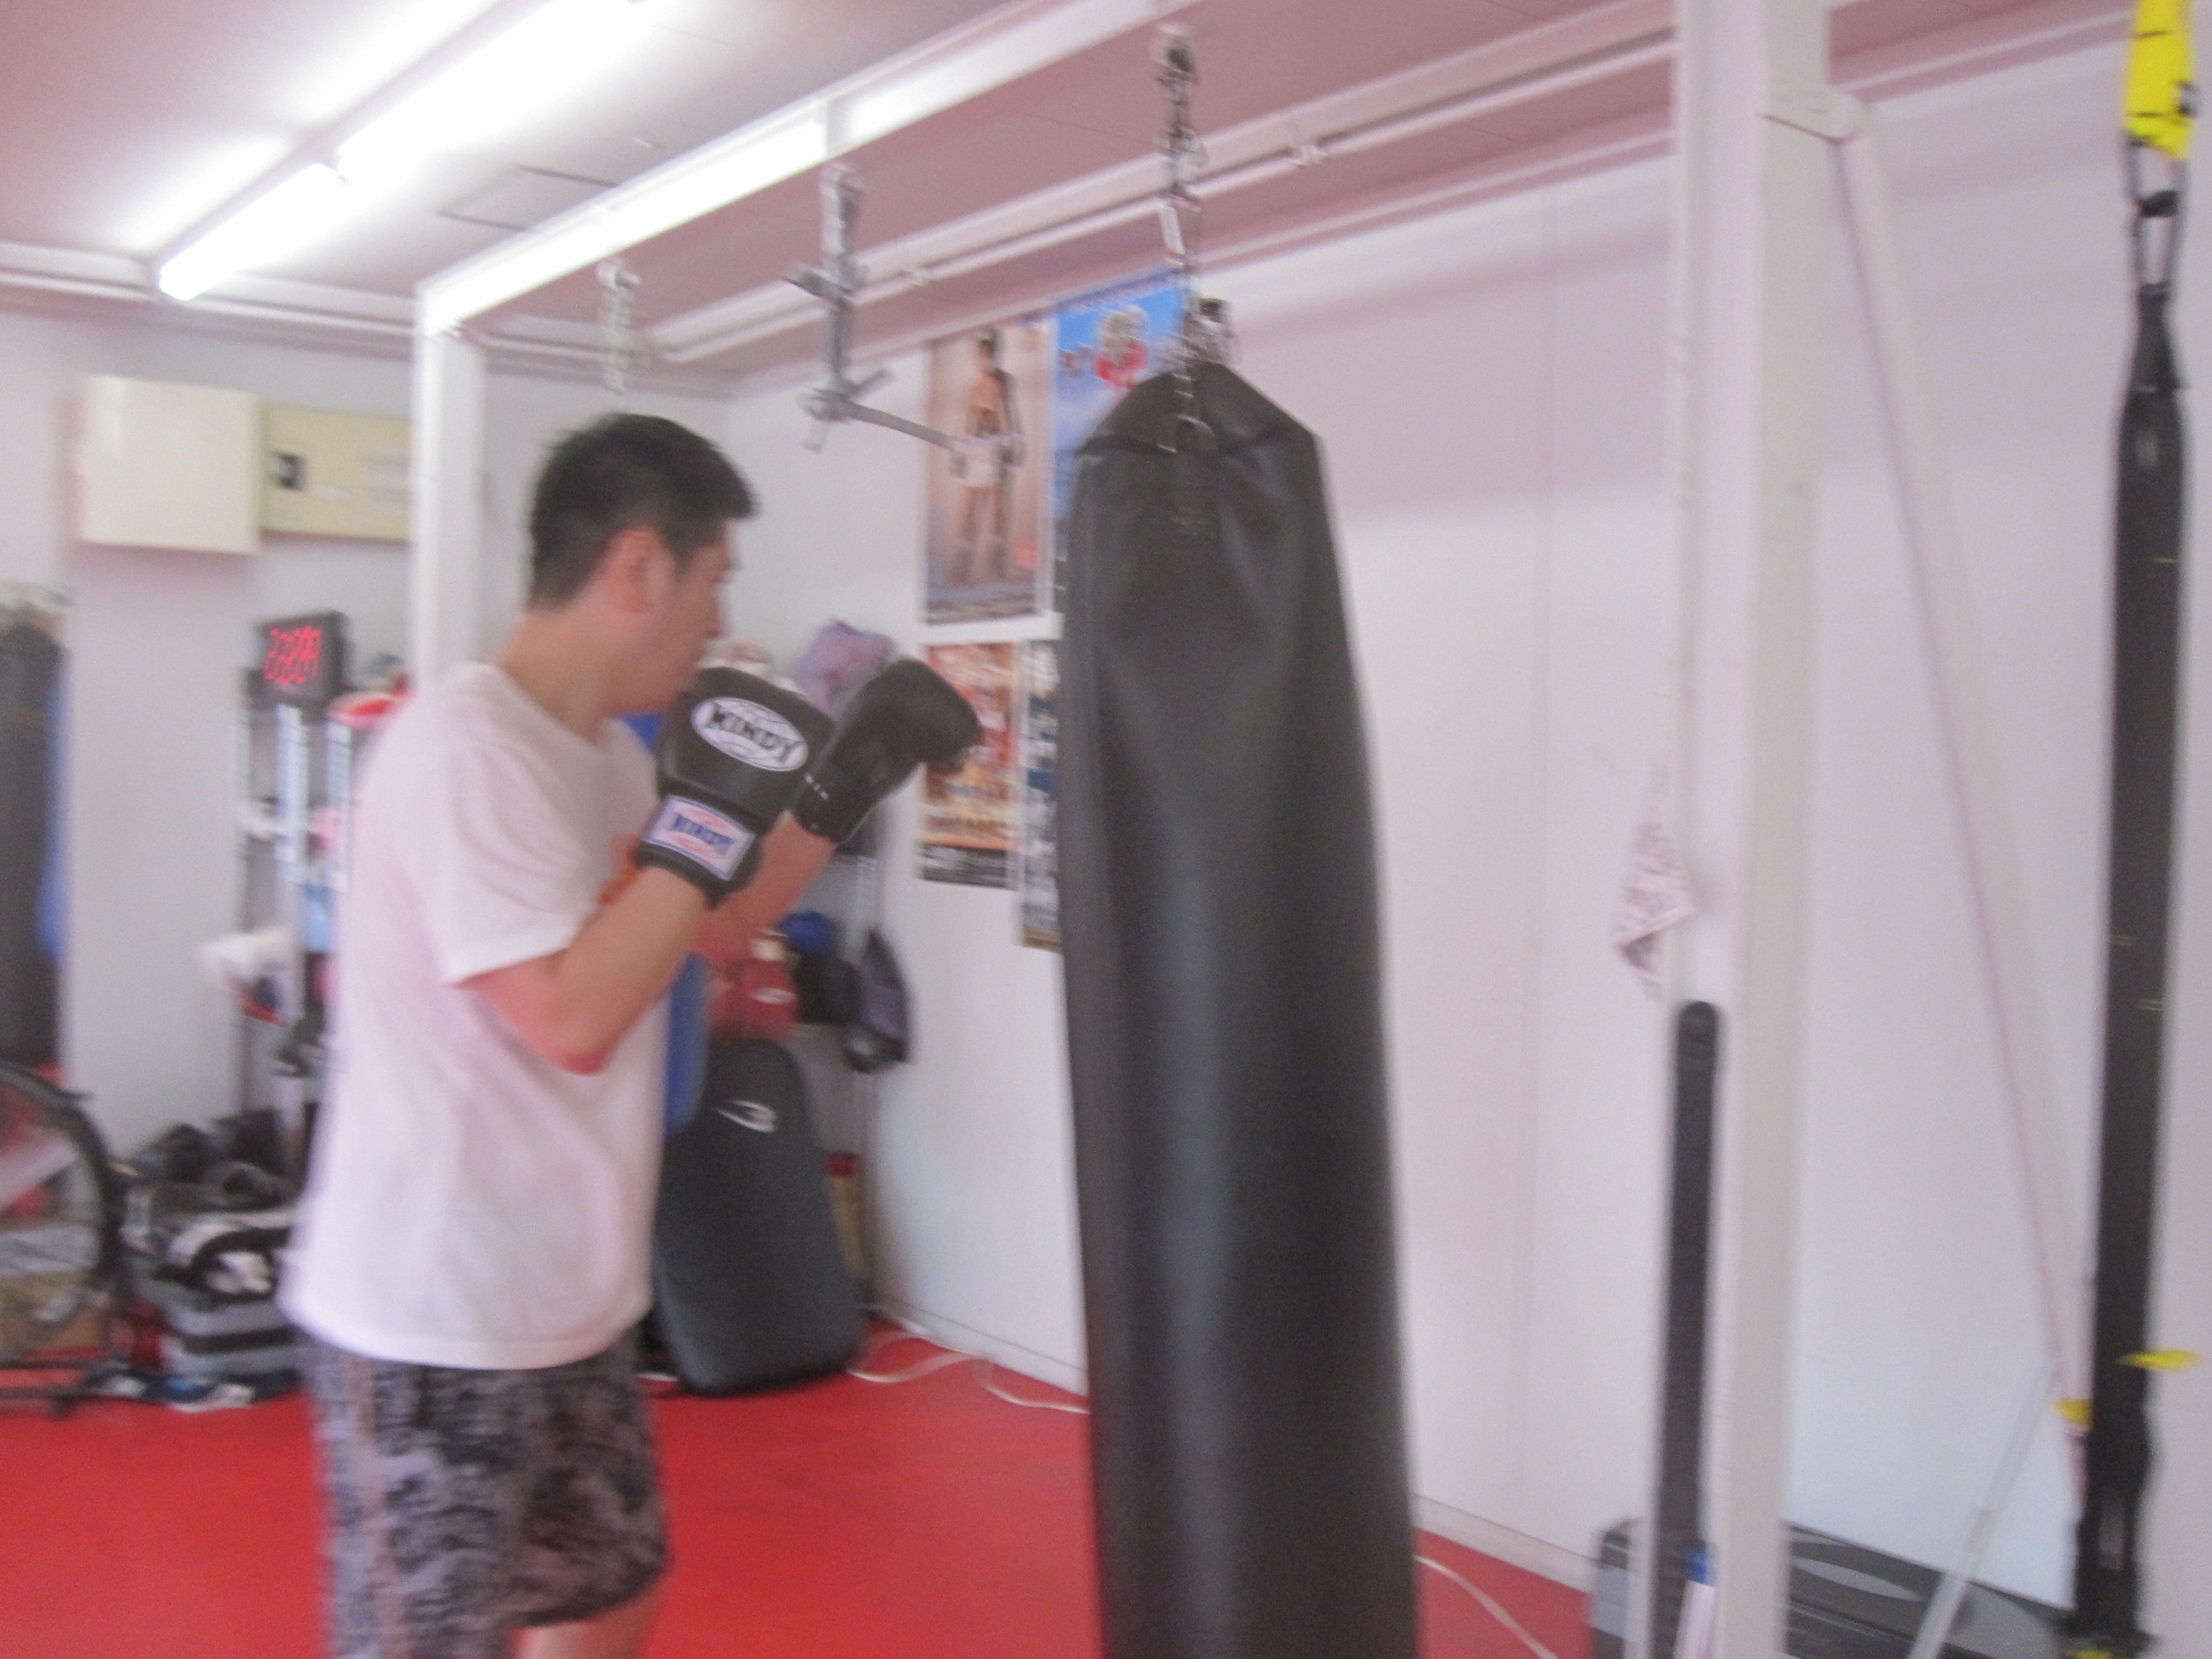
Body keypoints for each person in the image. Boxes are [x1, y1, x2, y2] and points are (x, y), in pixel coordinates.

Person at [282, 413, 976, 1659]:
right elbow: (571, 1016)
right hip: (433, 1315)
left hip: (565, 1303)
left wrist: (850, 777)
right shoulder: (465, 753)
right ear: (640, 567)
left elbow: (707, 921)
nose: (720, 619)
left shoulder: (602, 758)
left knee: (607, 1596)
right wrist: (704, 826)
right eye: (715, 579)